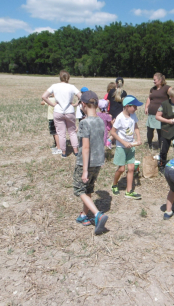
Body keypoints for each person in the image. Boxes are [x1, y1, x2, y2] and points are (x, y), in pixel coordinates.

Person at [74, 91, 108, 235]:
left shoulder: (84, 122)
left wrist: (85, 170)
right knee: (88, 189)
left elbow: (85, 147)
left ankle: (97, 215)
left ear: (83, 104)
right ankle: (83, 216)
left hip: (85, 163)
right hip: (98, 162)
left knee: (79, 190)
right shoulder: (101, 120)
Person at [42, 70, 80, 158]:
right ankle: (76, 151)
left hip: (58, 111)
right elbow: (81, 96)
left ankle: (63, 152)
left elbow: (44, 96)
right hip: (70, 111)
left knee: (61, 133)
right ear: (68, 78)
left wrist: (52, 104)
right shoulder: (72, 87)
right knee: (72, 132)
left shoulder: (54, 86)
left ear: (60, 77)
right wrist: (76, 104)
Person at [110, 95, 142, 199]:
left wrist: (138, 138)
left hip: (131, 145)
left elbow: (135, 126)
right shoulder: (120, 117)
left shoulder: (133, 115)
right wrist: (123, 142)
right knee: (121, 169)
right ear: (127, 106)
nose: (136, 108)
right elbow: (113, 132)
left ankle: (129, 191)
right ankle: (114, 184)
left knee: (131, 168)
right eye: (134, 106)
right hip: (121, 147)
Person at [145, 73, 170, 149]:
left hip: (160, 115)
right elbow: (149, 98)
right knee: (149, 130)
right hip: (151, 113)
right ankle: (149, 143)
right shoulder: (153, 89)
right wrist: (146, 107)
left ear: (160, 80)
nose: (153, 81)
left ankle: (161, 145)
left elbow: (173, 95)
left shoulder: (166, 88)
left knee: (160, 131)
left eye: (155, 80)